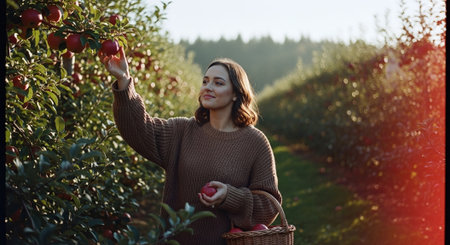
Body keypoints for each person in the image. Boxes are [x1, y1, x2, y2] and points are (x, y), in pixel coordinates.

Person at [100, 47, 281, 244]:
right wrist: (124, 80)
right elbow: (139, 129)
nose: (208, 87)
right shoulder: (182, 131)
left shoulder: (255, 143)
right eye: (205, 81)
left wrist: (230, 196)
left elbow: (268, 207)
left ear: (236, 94)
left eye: (218, 83)